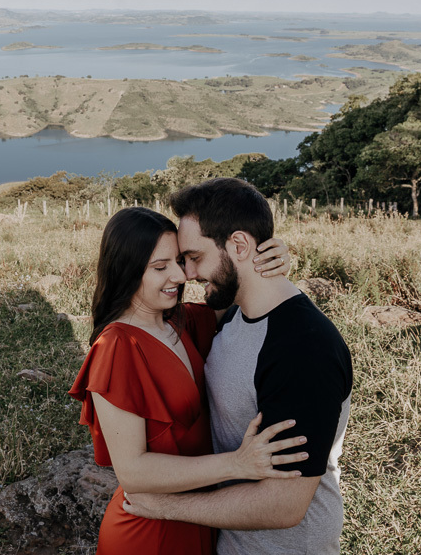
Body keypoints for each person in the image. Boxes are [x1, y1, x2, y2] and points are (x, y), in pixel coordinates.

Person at [123, 178, 354, 554]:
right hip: (230, 538)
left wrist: (163, 506)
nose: (188, 274)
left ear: (240, 245)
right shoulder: (233, 313)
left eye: (195, 257)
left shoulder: (303, 348)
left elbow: (284, 505)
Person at [69, 206, 305, 555]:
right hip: (150, 531)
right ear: (127, 271)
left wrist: (268, 259)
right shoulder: (117, 347)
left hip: (200, 518)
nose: (180, 277)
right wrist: (236, 463)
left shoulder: (182, 321)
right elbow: (133, 472)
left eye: (179, 261)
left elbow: (240, 291)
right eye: (160, 268)